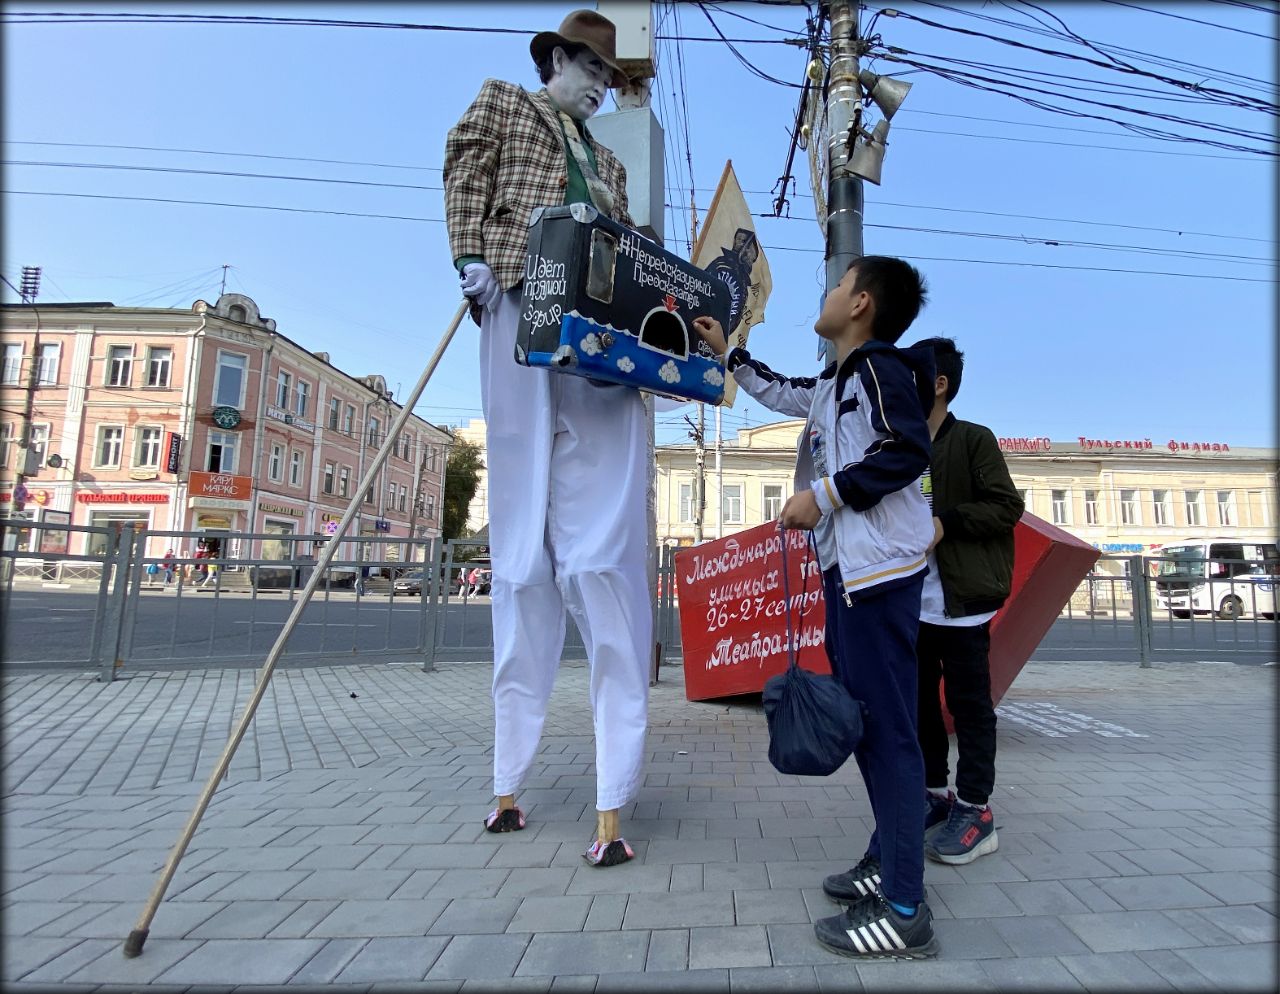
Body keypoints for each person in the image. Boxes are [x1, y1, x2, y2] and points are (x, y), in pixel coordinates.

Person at [444, 9, 651, 867]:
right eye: (594, 68)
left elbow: (628, 243)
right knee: (522, 545)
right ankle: (507, 780)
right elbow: (464, 173)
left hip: (595, 327)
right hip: (522, 297)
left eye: (611, 75)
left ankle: (615, 795)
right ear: (559, 59)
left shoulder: (607, 162)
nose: (603, 84)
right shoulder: (500, 103)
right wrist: (469, 257)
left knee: (602, 551)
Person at [694, 255, 940, 958]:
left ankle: (903, 908)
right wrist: (728, 352)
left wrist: (823, 497)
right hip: (849, 576)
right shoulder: (837, 381)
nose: (826, 293)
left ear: (860, 303)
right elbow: (779, 392)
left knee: (889, 736)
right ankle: (887, 861)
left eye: (837, 284)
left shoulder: (878, 370)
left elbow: (907, 449)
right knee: (871, 731)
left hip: (880, 578)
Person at [910, 336, 1024, 864]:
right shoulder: (899, 443)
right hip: (912, 602)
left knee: (968, 706)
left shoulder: (973, 440)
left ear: (939, 384)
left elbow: (1005, 506)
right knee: (919, 705)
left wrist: (945, 522)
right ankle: (935, 795)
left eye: (912, 372)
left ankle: (977, 809)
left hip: (963, 604)